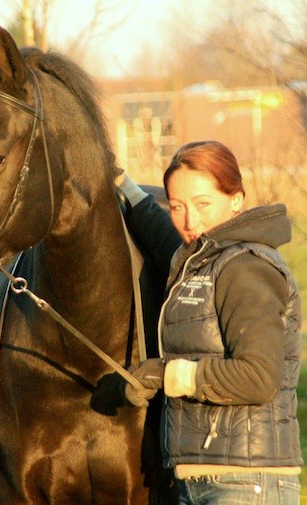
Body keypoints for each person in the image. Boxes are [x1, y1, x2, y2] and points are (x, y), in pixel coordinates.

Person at [117, 140, 303, 504]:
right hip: (199, 479)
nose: (190, 221)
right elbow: (161, 234)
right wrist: (120, 182)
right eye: (177, 206)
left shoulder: (246, 267)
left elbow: (259, 377)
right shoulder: (200, 259)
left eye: (203, 204)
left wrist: (168, 374)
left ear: (235, 199)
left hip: (246, 482)